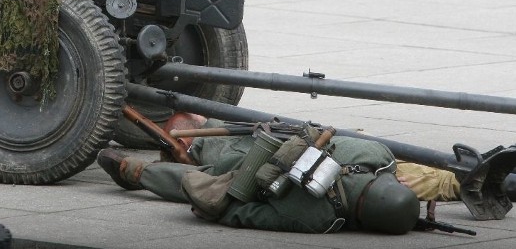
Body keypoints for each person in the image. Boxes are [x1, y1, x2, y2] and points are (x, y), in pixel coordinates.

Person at [96, 117, 490, 235]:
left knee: (203, 167)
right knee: (195, 184)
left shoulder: (378, 159)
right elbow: (250, 215)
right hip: (246, 169)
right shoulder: (324, 220)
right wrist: (220, 210)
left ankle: (144, 162)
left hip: (265, 143)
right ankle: (136, 170)